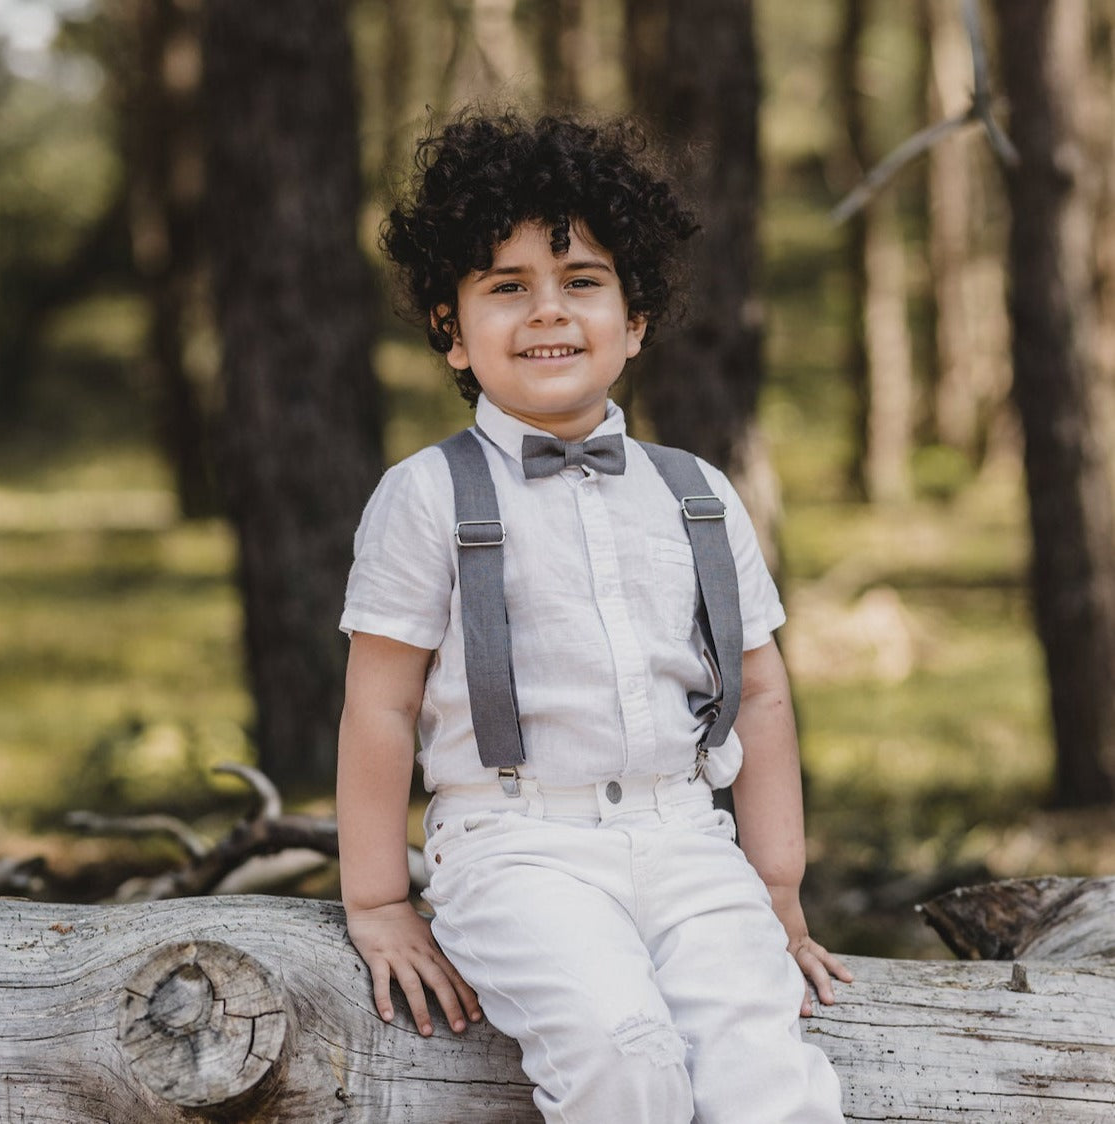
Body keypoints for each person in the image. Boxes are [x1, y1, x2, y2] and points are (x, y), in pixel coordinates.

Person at [336, 111, 852, 1123]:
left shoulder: (694, 491)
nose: (547, 312)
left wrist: (776, 882)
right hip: (517, 847)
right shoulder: (425, 495)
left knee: (766, 1077)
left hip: (686, 837)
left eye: (581, 281)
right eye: (506, 286)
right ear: (450, 327)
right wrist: (377, 898)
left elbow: (758, 692)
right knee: (625, 1059)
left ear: (636, 319)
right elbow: (379, 709)